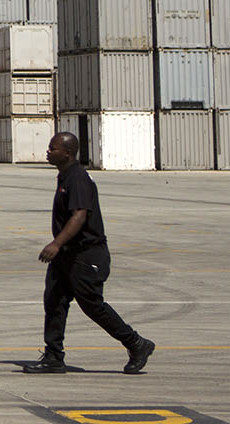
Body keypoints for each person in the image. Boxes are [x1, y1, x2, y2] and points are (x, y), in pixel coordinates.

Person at [22, 131, 156, 375]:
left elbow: (80, 215)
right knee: (54, 301)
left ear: (68, 153)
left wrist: (56, 244)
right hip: (67, 255)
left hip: (86, 255)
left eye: (53, 148)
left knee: (93, 305)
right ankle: (53, 357)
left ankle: (136, 343)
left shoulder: (78, 178)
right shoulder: (66, 176)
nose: (48, 152)